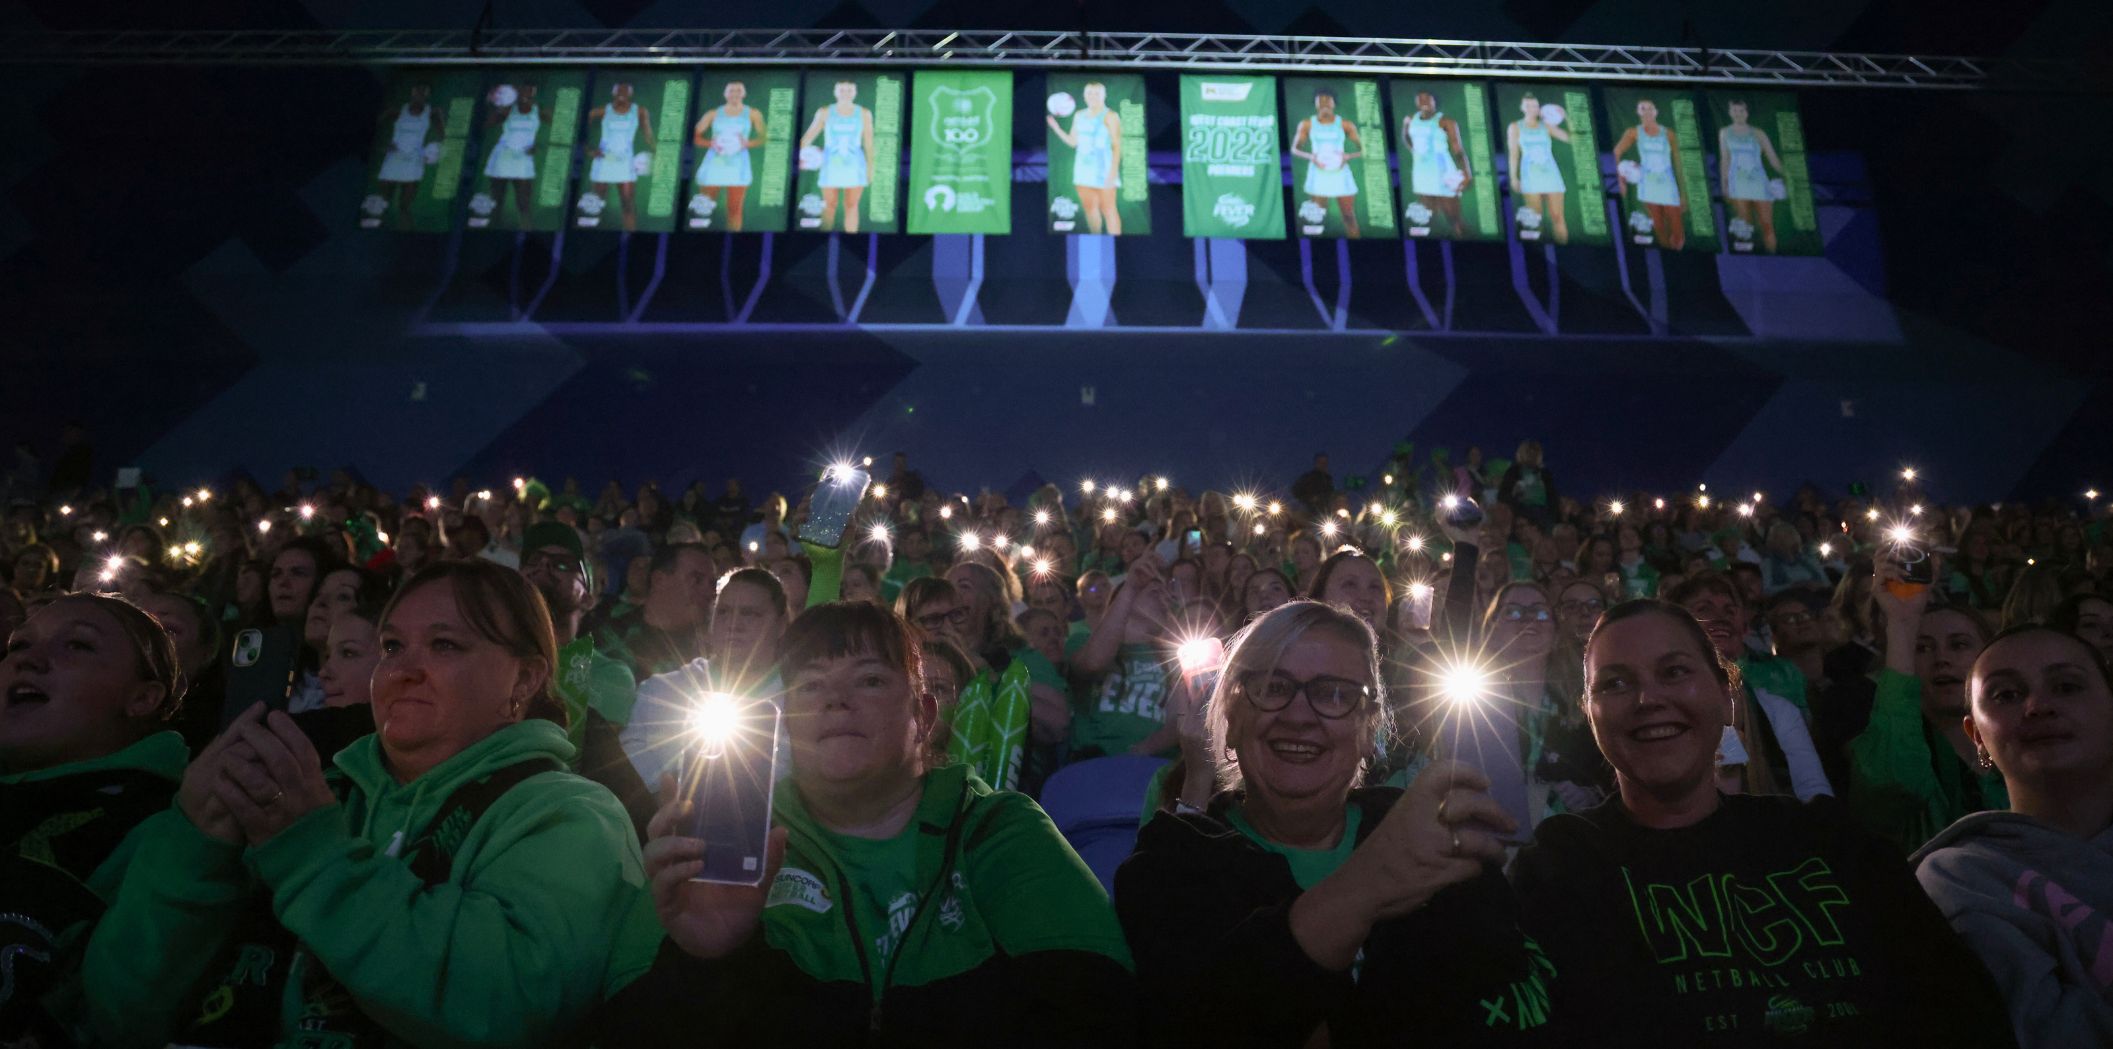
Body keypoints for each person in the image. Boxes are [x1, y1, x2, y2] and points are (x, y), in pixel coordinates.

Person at [78, 561, 662, 1048]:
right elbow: (114, 1015)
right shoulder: (312, 790)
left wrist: (313, 856)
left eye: (445, 644)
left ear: (524, 679)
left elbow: (508, 1007)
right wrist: (194, 846)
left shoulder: (570, 815)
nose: (404, 669)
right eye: (391, 645)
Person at [603, 602, 1140, 1046]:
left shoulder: (997, 829)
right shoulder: (723, 843)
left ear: (924, 717)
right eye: (810, 686)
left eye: (869, 679)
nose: (836, 699)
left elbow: (1100, 1011)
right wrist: (704, 960)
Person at [1509, 599, 2019, 1047]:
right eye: (1616, 683)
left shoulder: (1828, 840)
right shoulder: (1561, 865)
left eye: (1675, 672)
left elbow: (1957, 1009)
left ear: (1726, 695)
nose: (1648, 700)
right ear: (1590, 712)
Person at [1117, 600, 1553, 1046]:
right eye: (1272, 686)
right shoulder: (1167, 867)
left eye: (1335, 695)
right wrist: (1370, 884)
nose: (1299, 715)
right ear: (1229, 719)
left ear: (1368, 731)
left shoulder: (1434, 836)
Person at [1913, 625, 2113, 1047]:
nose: (2038, 706)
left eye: (2067, 686)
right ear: (1977, 738)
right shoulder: (1962, 878)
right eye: (2006, 695)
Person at [1, 594, 188, 1043]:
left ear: (142, 697)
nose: (30, 660)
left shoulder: (164, 827)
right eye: (18, 645)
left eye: (78, 646)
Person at [1847, 561, 2008, 854]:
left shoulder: (2018, 746)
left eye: (1958, 645)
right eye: (1921, 648)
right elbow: (1893, 785)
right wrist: (1901, 624)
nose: (1941, 659)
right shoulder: (1895, 752)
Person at [1670, 572, 1832, 801]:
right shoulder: (1659, 709)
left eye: (1730, 610)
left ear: (1743, 628)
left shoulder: (1777, 710)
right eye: (1704, 609)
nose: (1720, 617)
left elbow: (1813, 790)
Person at [595, 542, 715, 679]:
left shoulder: (714, 650)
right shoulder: (607, 636)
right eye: (696, 580)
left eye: (712, 583)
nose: (709, 592)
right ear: (659, 580)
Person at [1609, 97, 1686, 250]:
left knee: (1677, 228)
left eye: (1650, 108)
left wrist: (1683, 192)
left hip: (1667, 183)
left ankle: (1678, 254)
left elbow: (1678, 162)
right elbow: (1616, 153)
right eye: (1643, 108)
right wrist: (1621, 179)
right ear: (1638, 112)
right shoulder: (1633, 132)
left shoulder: (1669, 134)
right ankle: (1666, 253)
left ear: (1656, 112)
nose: (1647, 111)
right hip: (1647, 183)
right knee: (1658, 225)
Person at [798, 79, 875, 233]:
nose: (845, 93)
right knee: (829, 204)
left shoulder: (864, 113)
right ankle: (824, 238)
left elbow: (869, 143)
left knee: (852, 205)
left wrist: (870, 168)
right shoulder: (825, 112)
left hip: (854, 165)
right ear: (835, 92)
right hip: (830, 164)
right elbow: (806, 139)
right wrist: (807, 157)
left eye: (849, 90)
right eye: (842, 90)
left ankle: (852, 237)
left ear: (855, 92)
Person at [1048, 81, 1123, 235]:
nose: (1093, 96)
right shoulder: (1079, 115)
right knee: (1090, 209)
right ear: (1084, 96)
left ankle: (1116, 241)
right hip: (1083, 169)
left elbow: (1117, 145)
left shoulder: (1110, 116)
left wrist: (1113, 172)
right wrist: (1056, 128)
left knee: (1108, 209)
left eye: (1097, 93)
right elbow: (1073, 142)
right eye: (1089, 93)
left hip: (1104, 168)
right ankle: (1095, 238)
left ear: (1104, 95)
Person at [693, 79, 765, 231]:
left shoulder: (753, 113)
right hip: (715, 163)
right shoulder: (712, 114)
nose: (735, 94)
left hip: (738, 164)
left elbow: (764, 137)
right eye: (731, 90)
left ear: (744, 94)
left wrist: (747, 143)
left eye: (738, 90)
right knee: (704, 208)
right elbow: (695, 136)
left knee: (734, 209)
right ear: (725, 94)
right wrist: (711, 143)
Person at [1399, 89, 1474, 237]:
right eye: (1420, 98)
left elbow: (1458, 149)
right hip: (1422, 173)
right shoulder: (1410, 118)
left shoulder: (1446, 121)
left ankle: (1468, 246)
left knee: (1453, 218)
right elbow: (1406, 136)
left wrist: (1467, 173)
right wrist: (1414, 150)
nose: (1423, 101)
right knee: (1427, 219)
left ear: (1435, 102)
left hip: (1443, 173)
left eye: (1427, 98)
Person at [1290, 90, 1363, 238]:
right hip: (1319, 173)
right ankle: (1316, 255)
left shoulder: (1345, 124)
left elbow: (1364, 149)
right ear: (1316, 104)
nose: (1324, 103)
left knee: (1348, 215)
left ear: (1334, 103)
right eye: (1320, 101)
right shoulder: (1307, 124)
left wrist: (1348, 156)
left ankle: (1358, 248)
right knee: (1316, 218)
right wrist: (1312, 156)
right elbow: (1295, 149)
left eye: (1327, 100)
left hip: (1340, 173)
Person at [1718, 97, 1787, 253]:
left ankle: (1773, 257)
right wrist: (1724, 185)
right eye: (1735, 111)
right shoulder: (1724, 133)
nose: (1738, 114)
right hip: (1738, 185)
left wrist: (1789, 176)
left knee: (1767, 224)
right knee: (1745, 226)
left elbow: (1773, 159)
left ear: (1746, 113)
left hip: (1759, 184)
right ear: (1730, 112)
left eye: (1741, 111)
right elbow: (1725, 160)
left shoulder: (1758, 133)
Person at [586, 81, 654, 232]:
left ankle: (631, 236)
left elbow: (648, 135)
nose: (621, 94)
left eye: (625, 91)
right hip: (603, 161)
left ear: (630, 94)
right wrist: (588, 150)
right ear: (613, 93)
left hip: (625, 163)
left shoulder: (639, 111)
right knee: (595, 205)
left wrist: (658, 151)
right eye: (618, 91)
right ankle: (590, 237)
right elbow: (581, 124)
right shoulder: (604, 110)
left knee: (628, 204)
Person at [373, 82, 442, 231]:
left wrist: (432, 153)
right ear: (412, 92)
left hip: (413, 161)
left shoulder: (432, 113)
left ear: (427, 95)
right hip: (393, 159)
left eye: (424, 92)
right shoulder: (396, 111)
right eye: (418, 91)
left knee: (404, 207)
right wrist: (383, 146)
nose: (420, 95)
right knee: (382, 203)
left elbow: (445, 137)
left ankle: (408, 239)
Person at [1507, 93, 1572, 244]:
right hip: (1530, 175)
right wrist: (1513, 177)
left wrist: (1566, 117)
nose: (1531, 109)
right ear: (1522, 108)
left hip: (1550, 175)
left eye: (1535, 106)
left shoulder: (1547, 126)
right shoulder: (1515, 127)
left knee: (1557, 216)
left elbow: (1571, 139)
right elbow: (1514, 153)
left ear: (1539, 109)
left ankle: (1564, 247)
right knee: (1534, 219)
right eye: (1528, 106)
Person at [482, 82, 543, 229]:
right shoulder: (507, 111)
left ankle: (527, 229)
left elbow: (562, 129)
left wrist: (538, 145)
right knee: (497, 199)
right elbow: (485, 125)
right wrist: (493, 105)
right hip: (503, 156)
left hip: (523, 158)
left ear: (534, 93)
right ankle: (491, 229)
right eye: (524, 90)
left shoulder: (538, 110)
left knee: (524, 202)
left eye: (530, 91)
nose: (526, 94)